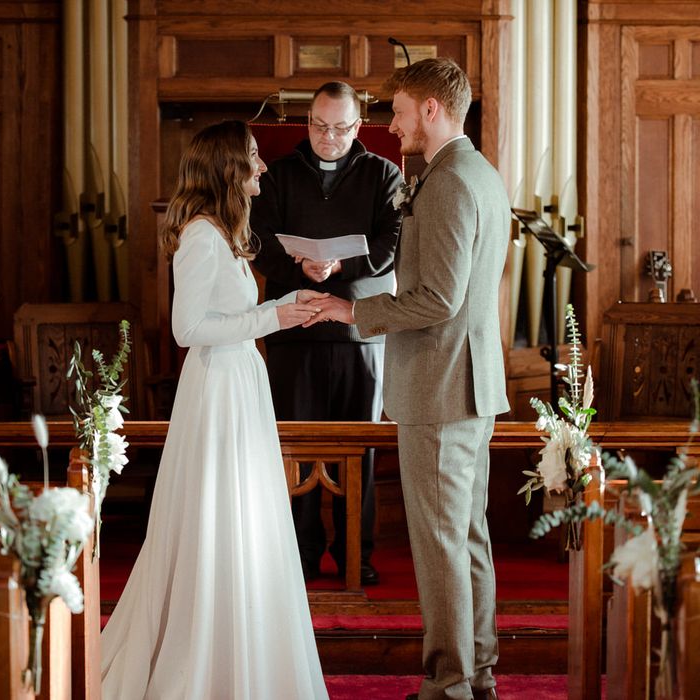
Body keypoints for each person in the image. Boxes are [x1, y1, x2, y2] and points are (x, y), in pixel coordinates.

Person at [101, 120, 329, 700]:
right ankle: (203, 656)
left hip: (239, 382)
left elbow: (230, 314)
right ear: (228, 167)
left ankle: (241, 648)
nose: (263, 166)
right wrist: (271, 319)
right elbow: (188, 330)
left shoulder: (222, 233)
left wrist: (286, 302)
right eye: (253, 157)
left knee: (243, 517)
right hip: (218, 389)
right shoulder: (202, 235)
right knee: (217, 517)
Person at [305, 58, 511, 700]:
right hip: (465, 384)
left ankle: (448, 683)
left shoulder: (449, 181)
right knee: (466, 538)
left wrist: (352, 309)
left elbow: (440, 300)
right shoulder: (479, 173)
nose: (389, 126)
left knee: (442, 543)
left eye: (395, 111)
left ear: (430, 109)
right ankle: (476, 674)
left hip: (441, 387)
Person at [250, 81, 403, 585]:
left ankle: (356, 555)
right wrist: (305, 272)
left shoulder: (384, 174)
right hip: (294, 330)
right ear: (306, 122)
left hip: (360, 334)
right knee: (296, 449)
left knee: (359, 448)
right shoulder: (279, 175)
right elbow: (260, 240)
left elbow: (392, 242)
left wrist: (340, 265)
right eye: (319, 125)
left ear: (358, 127)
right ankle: (300, 554)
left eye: (340, 127)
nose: (329, 137)